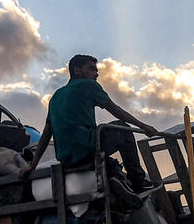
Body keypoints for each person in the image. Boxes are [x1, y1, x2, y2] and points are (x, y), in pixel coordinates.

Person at [21, 54, 160, 198]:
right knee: (122, 128)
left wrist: (33, 164)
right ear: (77, 70)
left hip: (66, 158)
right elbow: (116, 110)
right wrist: (143, 126)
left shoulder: (56, 96)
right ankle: (139, 182)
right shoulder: (89, 85)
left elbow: (46, 133)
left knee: (107, 154)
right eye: (92, 69)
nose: (96, 74)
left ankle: (115, 177)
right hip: (87, 150)